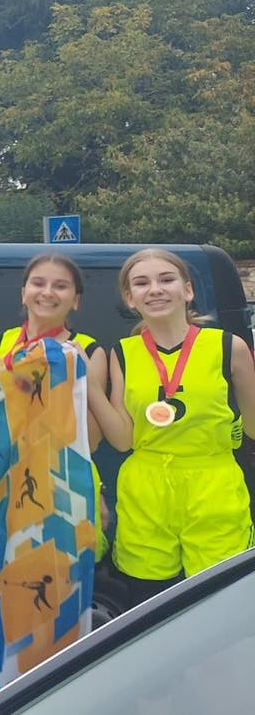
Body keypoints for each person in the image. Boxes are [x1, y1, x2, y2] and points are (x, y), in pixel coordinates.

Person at [109, 248, 255, 605]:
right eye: (141, 283)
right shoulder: (122, 352)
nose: (155, 289)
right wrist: (91, 386)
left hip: (213, 483)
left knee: (219, 601)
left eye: (166, 279)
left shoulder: (228, 346)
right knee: (149, 602)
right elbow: (123, 439)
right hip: (146, 488)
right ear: (130, 298)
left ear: (187, 290)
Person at [0, 254, 132, 544]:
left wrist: (77, 376)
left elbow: (91, 440)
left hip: (66, 482)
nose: (47, 292)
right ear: (23, 293)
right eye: (38, 283)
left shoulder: (88, 351)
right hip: (2, 481)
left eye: (60, 286)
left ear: (76, 300)